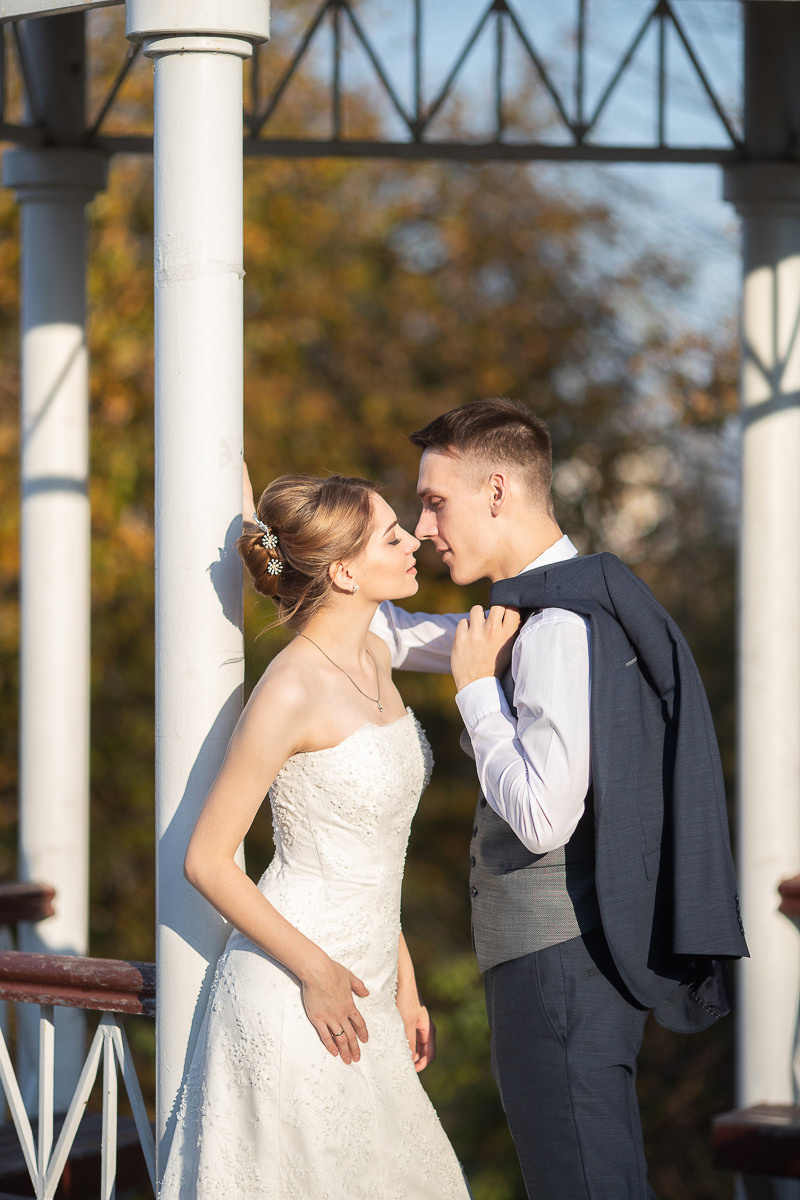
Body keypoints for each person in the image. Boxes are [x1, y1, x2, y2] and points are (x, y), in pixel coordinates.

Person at [371, 397, 748, 1200]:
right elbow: (396, 634)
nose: (425, 525)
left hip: (559, 969)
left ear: (498, 490)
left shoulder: (554, 630)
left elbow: (544, 815)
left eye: (436, 501)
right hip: (569, 966)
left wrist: (475, 694)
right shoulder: (548, 610)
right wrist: (274, 549)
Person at [160, 471, 473, 1200]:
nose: (412, 543)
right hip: (295, 994)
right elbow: (206, 860)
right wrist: (318, 973)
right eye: (391, 536)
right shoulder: (291, 687)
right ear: (343, 570)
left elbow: (373, 852)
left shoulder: (372, 659)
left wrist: (404, 982)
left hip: (368, 987)